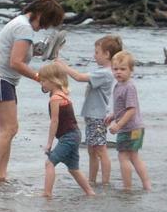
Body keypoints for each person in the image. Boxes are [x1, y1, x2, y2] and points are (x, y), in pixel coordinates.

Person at [0, 0, 65, 181]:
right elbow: (16, 62)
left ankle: (0, 174)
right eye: (47, 22)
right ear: (40, 14)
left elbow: (20, 52)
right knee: (8, 129)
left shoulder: (22, 25)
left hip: (0, 79)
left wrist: (42, 51)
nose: (45, 27)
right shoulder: (24, 27)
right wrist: (40, 78)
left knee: (10, 128)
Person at [57, 35, 123, 185]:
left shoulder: (105, 72)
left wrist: (63, 66)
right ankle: (92, 180)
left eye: (97, 52)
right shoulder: (103, 71)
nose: (94, 55)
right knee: (92, 150)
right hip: (93, 116)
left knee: (100, 150)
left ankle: (105, 182)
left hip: (97, 116)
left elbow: (79, 77)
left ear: (107, 54)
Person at [37, 63, 94, 198]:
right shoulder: (63, 94)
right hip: (75, 135)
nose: (42, 84)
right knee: (73, 169)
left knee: (50, 163)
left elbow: (54, 121)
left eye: (44, 81)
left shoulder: (55, 98)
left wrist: (49, 143)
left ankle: (47, 193)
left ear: (53, 80)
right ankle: (90, 193)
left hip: (68, 137)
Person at [105, 50, 151, 191]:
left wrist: (118, 125)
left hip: (131, 128)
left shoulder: (129, 87)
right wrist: (113, 115)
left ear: (131, 70)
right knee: (133, 156)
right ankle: (146, 185)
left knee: (124, 156)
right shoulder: (119, 85)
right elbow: (123, 107)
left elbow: (131, 110)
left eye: (123, 69)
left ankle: (128, 187)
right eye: (115, 69)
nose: (118, 72)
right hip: (134, 127)